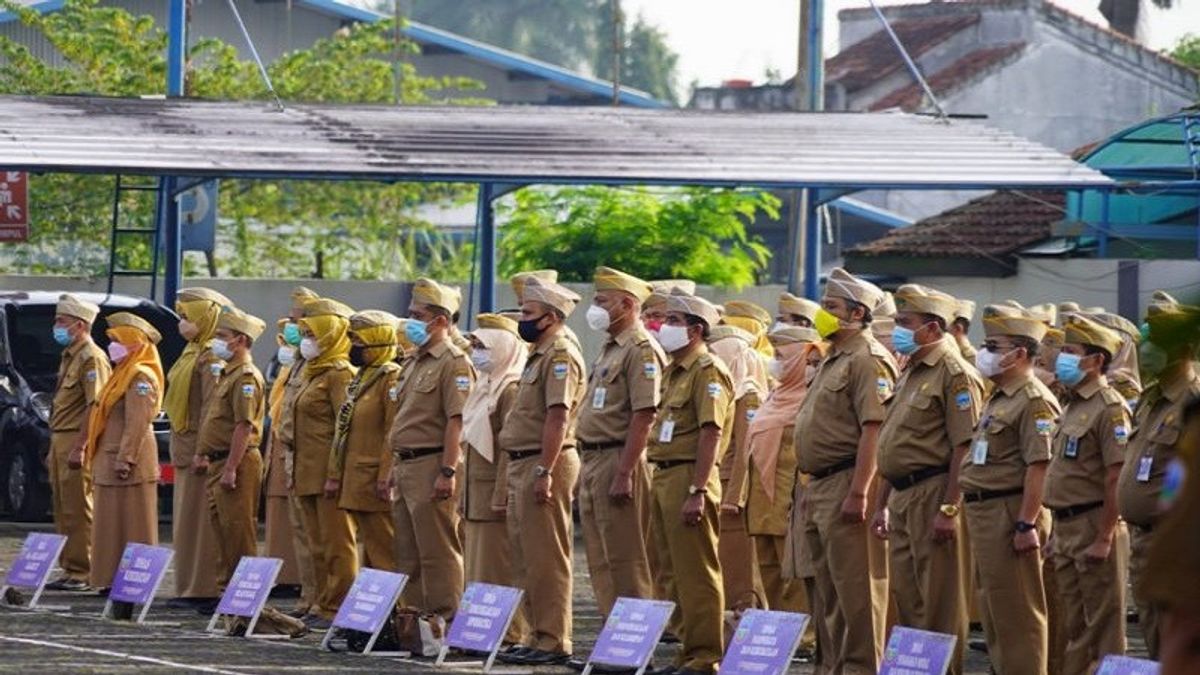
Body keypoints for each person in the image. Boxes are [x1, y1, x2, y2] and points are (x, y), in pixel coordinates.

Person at [871, 285, 981, 675]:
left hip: (934, 492)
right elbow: (892, 445)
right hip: (902, 494)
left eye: (905, 323)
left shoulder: (954, 374)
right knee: (909, 596)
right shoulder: (912, 370)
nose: (898, 329)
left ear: (933, 328)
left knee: (939, 600)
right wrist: (881, 502)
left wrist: (950, 508)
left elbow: (963, 448)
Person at [793, 268, 897, 675]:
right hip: (819, 485)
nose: (822, 313)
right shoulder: (834, 357)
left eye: (831, 307)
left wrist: (859, 492)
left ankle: (860, 668)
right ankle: (833, 666)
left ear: (856, 313)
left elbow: (874, 428)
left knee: (856, 589)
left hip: (846, 482)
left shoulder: (868, 360)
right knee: (827, 591)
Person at [954, 304, 1059, 675]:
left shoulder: (1033, 399)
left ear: (1018, 354)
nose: (986, 353)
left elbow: (1040, 466)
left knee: (1019, 615)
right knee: (997, 613)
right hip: (985, 513)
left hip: (1010, 513)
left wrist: (1026, 523)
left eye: (994, 346)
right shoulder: (1001, 396)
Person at [497, 277, 586, 666]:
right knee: (525, 556)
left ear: (551, 318)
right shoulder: (540, 351)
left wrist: (545, 471)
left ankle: (554, 639)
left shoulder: (560, 354)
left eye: (529, 314)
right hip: (523, 462)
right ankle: (536, 633)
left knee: (547, 556)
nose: (522, 319)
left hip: (543, 461)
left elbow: (558, 417)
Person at [646, 288, 731, 675]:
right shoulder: (674, 370)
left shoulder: (707, 370)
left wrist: (698, 490)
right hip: (664, 474)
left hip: (688, 476)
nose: (665, 328)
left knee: (696, 572)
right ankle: (687, 650)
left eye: (674, 322)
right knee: (671, 572)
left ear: (696, 330)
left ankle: (706, 656)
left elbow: (711, 433)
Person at [1044, 314, 1130, 674]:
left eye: (1070, 351)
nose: (1061, 358)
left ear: (1096, 360)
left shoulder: (1109, 408)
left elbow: (1116, 477)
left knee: (1104, 625)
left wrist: (1105, 537)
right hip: (1066, 527)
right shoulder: (1074, 404)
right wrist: (1054, 534)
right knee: (1074, 624)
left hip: (1095, 523)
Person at [575, 267, 661, 620]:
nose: (594, 308)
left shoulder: (640, 350)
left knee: (626, 557)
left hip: (619, 457)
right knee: (600, 557)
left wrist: (625, 472)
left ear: (627, 305)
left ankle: (634, 636)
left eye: (601, 301)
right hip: (595, 457)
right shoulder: (610, 348)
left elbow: (644, 414)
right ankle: (614, 640)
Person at [1118, 291, 1200, 659]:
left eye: (1155, 341)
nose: (1145, 348)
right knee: (1152, 638)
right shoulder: (1151, 398)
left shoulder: (1191, 401)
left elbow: (1184, 477)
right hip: (1143, 538)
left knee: (1175, 645)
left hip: (1172, 541)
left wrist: (1164, 509)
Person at [387, 279, 473, 620]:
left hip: (432, 463)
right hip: (407, 464)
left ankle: (446, 619)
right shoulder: (413, 361)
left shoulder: (453, 362)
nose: (409, 321)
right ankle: (416, 621)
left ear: (439, 321)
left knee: (438, 549)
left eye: (416, 315)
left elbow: (457, 421)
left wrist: (448, 470)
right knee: (408, 551)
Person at [72, 312, 164, 591]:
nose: (113, 346)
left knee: (134, 524)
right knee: (110, 525)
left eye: (118, 341)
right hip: (109, 458)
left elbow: (137, 424)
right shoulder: (119, 374)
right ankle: (109, 579)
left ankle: (135, 583)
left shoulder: (140, 377)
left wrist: (125, 459)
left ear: (135, 343)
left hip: (128, 462)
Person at [461, 313, 530, 644]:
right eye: (474, 345)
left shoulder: (510, 389)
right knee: (477, 569)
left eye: (482, 345)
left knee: (497, 568)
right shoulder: (485, 385)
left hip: (493, 495)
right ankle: (477, 631)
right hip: (474, 492)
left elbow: (508, 449)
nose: (476, 351)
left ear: (503, 348)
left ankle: (507, 634)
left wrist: (502, 493)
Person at [746, 327, 824, 616]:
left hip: (789, 495)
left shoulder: (810, 397)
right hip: (762, 495)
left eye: (781, 356)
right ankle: (776, 625)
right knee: (767, 563)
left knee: (792, 564)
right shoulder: (775, 395)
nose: (774, 362)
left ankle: (801, 631)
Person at [291, 297, 357, 629]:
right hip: (306, 470)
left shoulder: (339, 373)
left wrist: (335, 472)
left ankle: (339, 604)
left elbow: (345, 427)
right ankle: (321, 601)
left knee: (337, 545)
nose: (307, 340)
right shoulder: (311, 372)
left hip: (328, 473)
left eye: (313, 333)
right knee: (316, 544)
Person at [163, 287, 230, 609]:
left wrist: (204, 450)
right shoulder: (191, 351)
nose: (182, 323)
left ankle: (204, 587)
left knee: (201, 521)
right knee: (187, 522)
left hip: (200, 451)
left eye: (188, 317)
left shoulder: (211, 356)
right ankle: (188, 585)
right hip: (185, 446)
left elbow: (211, 408)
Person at [196, 306, 267, 590]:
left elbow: (244, 426)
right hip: (219, 461)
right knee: (223, 532)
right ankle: (227, 592)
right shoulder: (229, 373)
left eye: (222, 336)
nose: (216, 341)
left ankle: (243, 596)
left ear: (239, 341)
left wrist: (230, 468)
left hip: (235, 462)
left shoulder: (245, 377)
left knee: (238, 531)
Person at [327, 310, 402, 571]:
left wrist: (385, 475)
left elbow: (392, 431)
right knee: (371, 548)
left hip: (374, 478)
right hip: (357, 476)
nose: (353, 348)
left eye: (359, 342)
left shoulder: (389, 377)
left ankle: (395, 607)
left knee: (384, 548)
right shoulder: (364, 375)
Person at [45, 294, 109, 592]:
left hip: (75, 438)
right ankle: (71, 567)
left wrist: (81, 445)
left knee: (79, 506)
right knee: (63, 506)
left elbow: (94, 406)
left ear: (80, 325)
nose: (56, 326)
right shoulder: (70, 355)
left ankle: (84, 569)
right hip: (60, 437)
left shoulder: (91, 357)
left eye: (62, 321)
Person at [267, 288, 321, 614]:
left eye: (301, 324)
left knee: (323, 538)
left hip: (314, 458)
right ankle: (311, 597)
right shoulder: (296, 363)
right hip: (293, 454)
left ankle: (326, 601)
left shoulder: (329, 370)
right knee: (303, 533)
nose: (293, 329)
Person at [709, 324, 769, 611]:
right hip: (720, 483)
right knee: (725, 562)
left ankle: (746, 615)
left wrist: (735, 495)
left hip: (733, 490)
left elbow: (747, 449)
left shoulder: (749, 395)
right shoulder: (730, 390)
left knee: (740, 565)